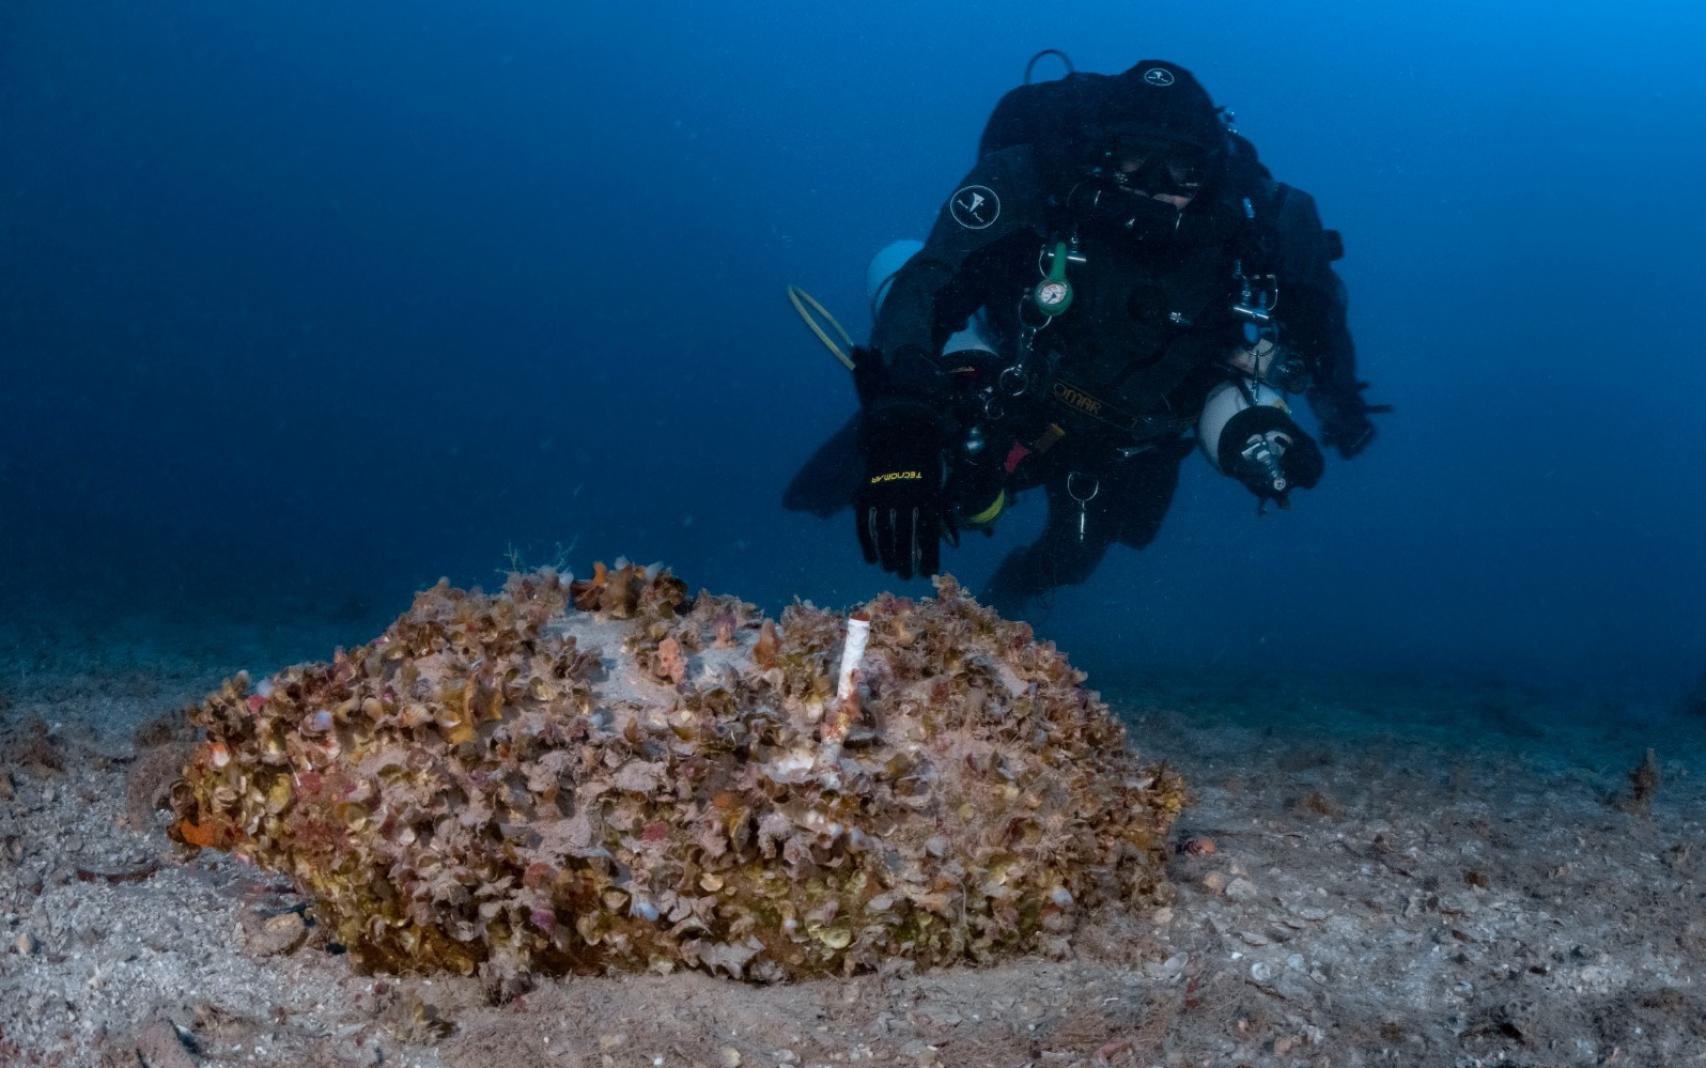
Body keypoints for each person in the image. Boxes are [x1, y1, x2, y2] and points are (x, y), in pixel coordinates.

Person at [785, 56, 1384, 615]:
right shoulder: (1032, 184)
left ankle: (1002, 608)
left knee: (1071, 559)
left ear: (1213, 168)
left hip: (1135, 430)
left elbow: (1319, 320)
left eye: (1183, 167)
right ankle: (821, 575)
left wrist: (1337, 406)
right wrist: (902, 424)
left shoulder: (1257, 226)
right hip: (1012, 390)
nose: (1154, 185)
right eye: (1132, 159)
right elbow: (929, 284)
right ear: (1099, 151)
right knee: (950, 486)